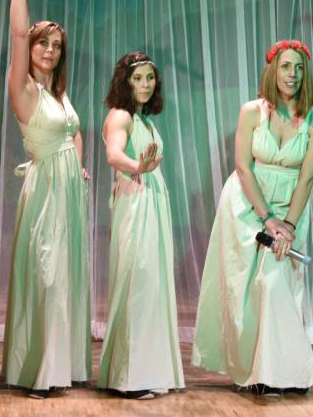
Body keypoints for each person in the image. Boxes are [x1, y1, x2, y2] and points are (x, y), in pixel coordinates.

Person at [192, 39, 313, 396]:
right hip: (247, 203)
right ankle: (255, 370)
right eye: (286, 66)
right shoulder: (252, 112)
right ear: (273, 70)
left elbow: (308, 178)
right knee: (246, 289)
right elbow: (242, 166)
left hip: (290, 207)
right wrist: (268, 218)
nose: (292, 74)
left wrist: (289, 226)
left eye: (299, 68)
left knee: (275, 282)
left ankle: (284, 371)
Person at [2, 0, 91, 399]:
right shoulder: (23, 88)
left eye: (56, 45)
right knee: (47, 273)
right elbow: (19, 33)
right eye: (43, 43)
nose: (50, 51)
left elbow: (74, 131)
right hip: (46, 191)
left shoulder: (59, 93)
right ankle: (40, 368)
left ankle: (62, 364)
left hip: (69, 191)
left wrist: (79, 164)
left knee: (64, 274)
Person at [98, 52, 184, 400]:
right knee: (137, 281)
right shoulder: (120, 115)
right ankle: (129, 378)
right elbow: (114, 155)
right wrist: (138, 167)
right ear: (125, 81)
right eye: (138, 78)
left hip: (150, 200)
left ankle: (147, 371)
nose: (145, 84)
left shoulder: (142, 118)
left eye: (150, 78)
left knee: (150, 284)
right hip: (135, 203)